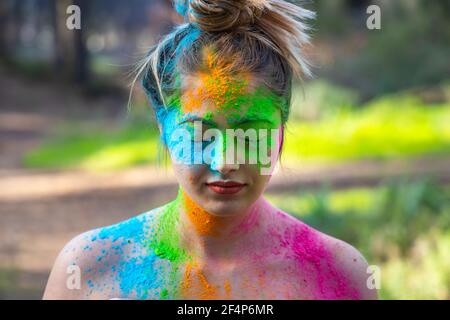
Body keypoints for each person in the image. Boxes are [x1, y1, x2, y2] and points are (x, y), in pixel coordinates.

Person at [44, 0, 377, 300]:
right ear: (163, 128)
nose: (226, 161)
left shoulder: (337, 275)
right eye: (199, 133)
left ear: (281, 130)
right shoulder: (90, 271)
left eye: (251, 134)